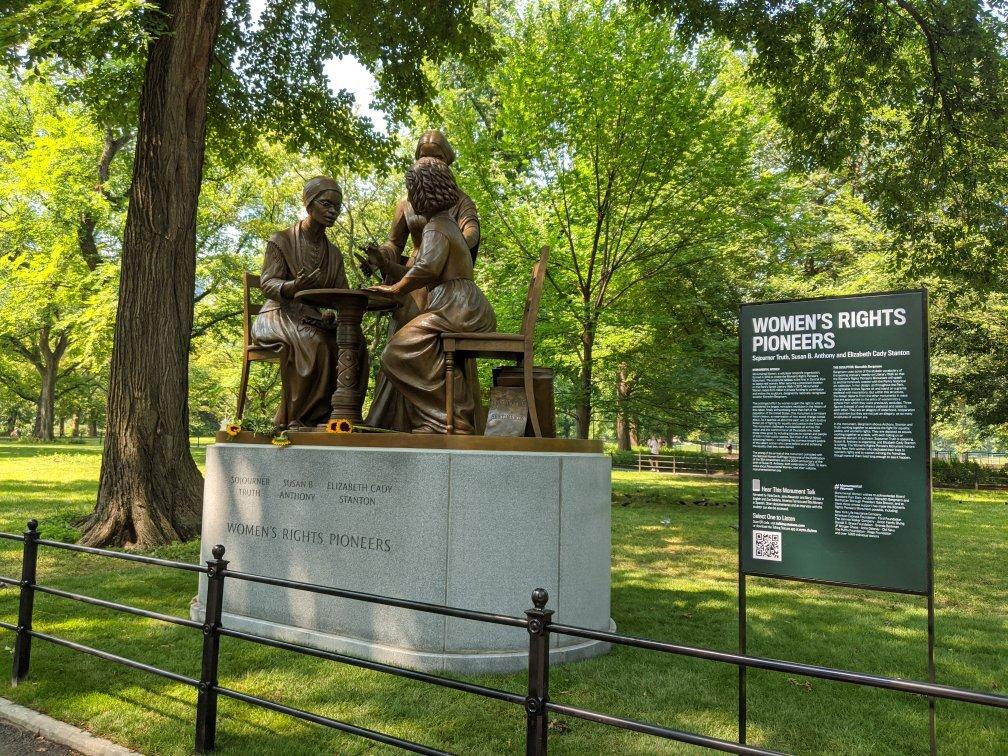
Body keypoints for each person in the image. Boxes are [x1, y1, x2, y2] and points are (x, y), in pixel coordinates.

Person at [359, 130, 481, 431]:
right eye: (424, 154)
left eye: (436, 155)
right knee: (404, 342)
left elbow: (470, 234)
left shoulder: (455, 204)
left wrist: (451, 249)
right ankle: (400, 420)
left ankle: (446, 416)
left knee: (418, 347)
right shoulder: (408, 202)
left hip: (442, 287)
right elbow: (395, 243)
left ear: (447, 161)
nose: (429, 158)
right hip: (417, 281)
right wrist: (381, 257)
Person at [252, 176, 361, 430]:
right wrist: (292, 286)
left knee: (354, 342)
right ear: (309, 205)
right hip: (279, 314)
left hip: (312, 317)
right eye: (326, 204)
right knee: (316, 343)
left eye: (337, 207)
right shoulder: (281, 240)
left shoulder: (333, 253)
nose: (332, 211)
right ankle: (297, 417)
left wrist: (332, 313)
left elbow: (340, 294)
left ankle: (340, 414)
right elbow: (268, 284)